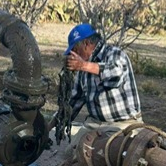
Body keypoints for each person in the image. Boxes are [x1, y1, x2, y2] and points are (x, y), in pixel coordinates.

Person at [57, 23, 143, 152]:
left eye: (74, 49)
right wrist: (48, 127)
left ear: (86, 44)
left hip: (122, 123)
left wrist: (83, 65)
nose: (73, 54)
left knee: (102, 156)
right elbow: (73, 103)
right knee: (70, 154)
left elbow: (115, 72)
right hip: (95, 123)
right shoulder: (83, 68)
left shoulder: (115, 54)